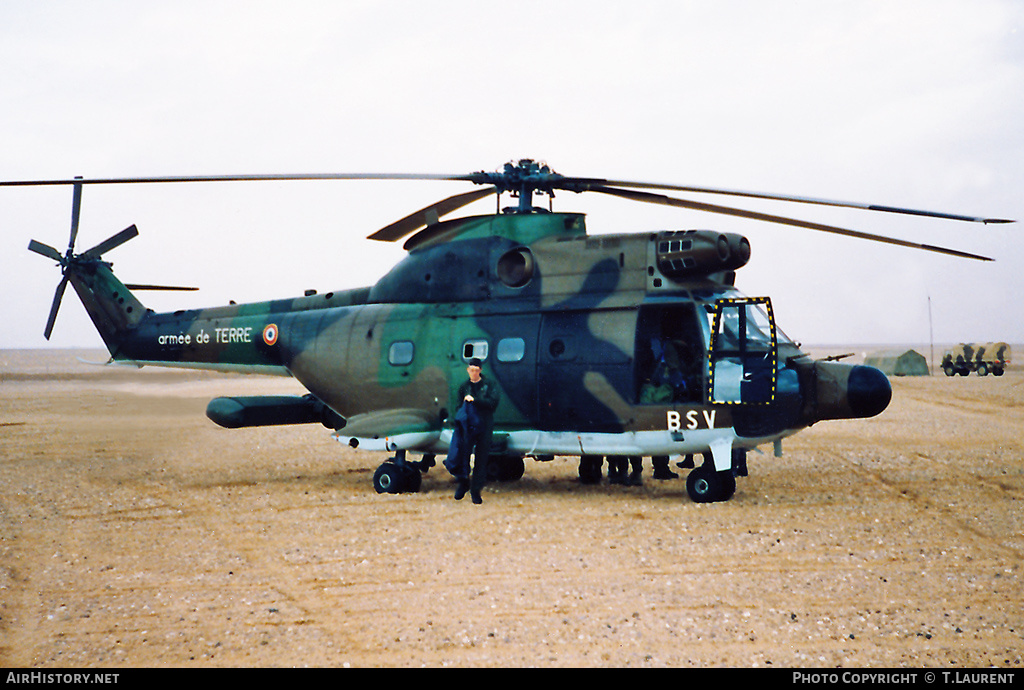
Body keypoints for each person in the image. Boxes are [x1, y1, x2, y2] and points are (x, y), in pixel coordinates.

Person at [452, 358, 500, 504]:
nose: (474, 373)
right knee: (463, 455)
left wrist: (475, 401)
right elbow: (458, 406)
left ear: (480, 370)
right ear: (468, 370)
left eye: (476, 370)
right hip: (469, 426)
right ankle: (463, 483)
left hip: (484, 425)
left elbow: (493, 403)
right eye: (471, 370)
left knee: (481, 458)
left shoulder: (489, 385)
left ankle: (475, 491)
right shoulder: (464, 387)